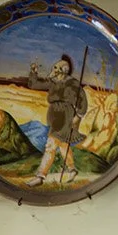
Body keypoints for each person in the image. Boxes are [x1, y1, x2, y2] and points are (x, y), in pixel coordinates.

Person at [27, 54, 88, 188]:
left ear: (63, 70)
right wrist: (33, 72)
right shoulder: (53, 82)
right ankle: (72, 170)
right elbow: (34, 85)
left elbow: (82, 100)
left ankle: (40, 176)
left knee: (51, 145)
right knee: (63, 145)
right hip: (55, 118)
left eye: (56, 68)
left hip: (65, 117)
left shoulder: (72, 84)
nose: (53, 69)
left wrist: (78, 116)